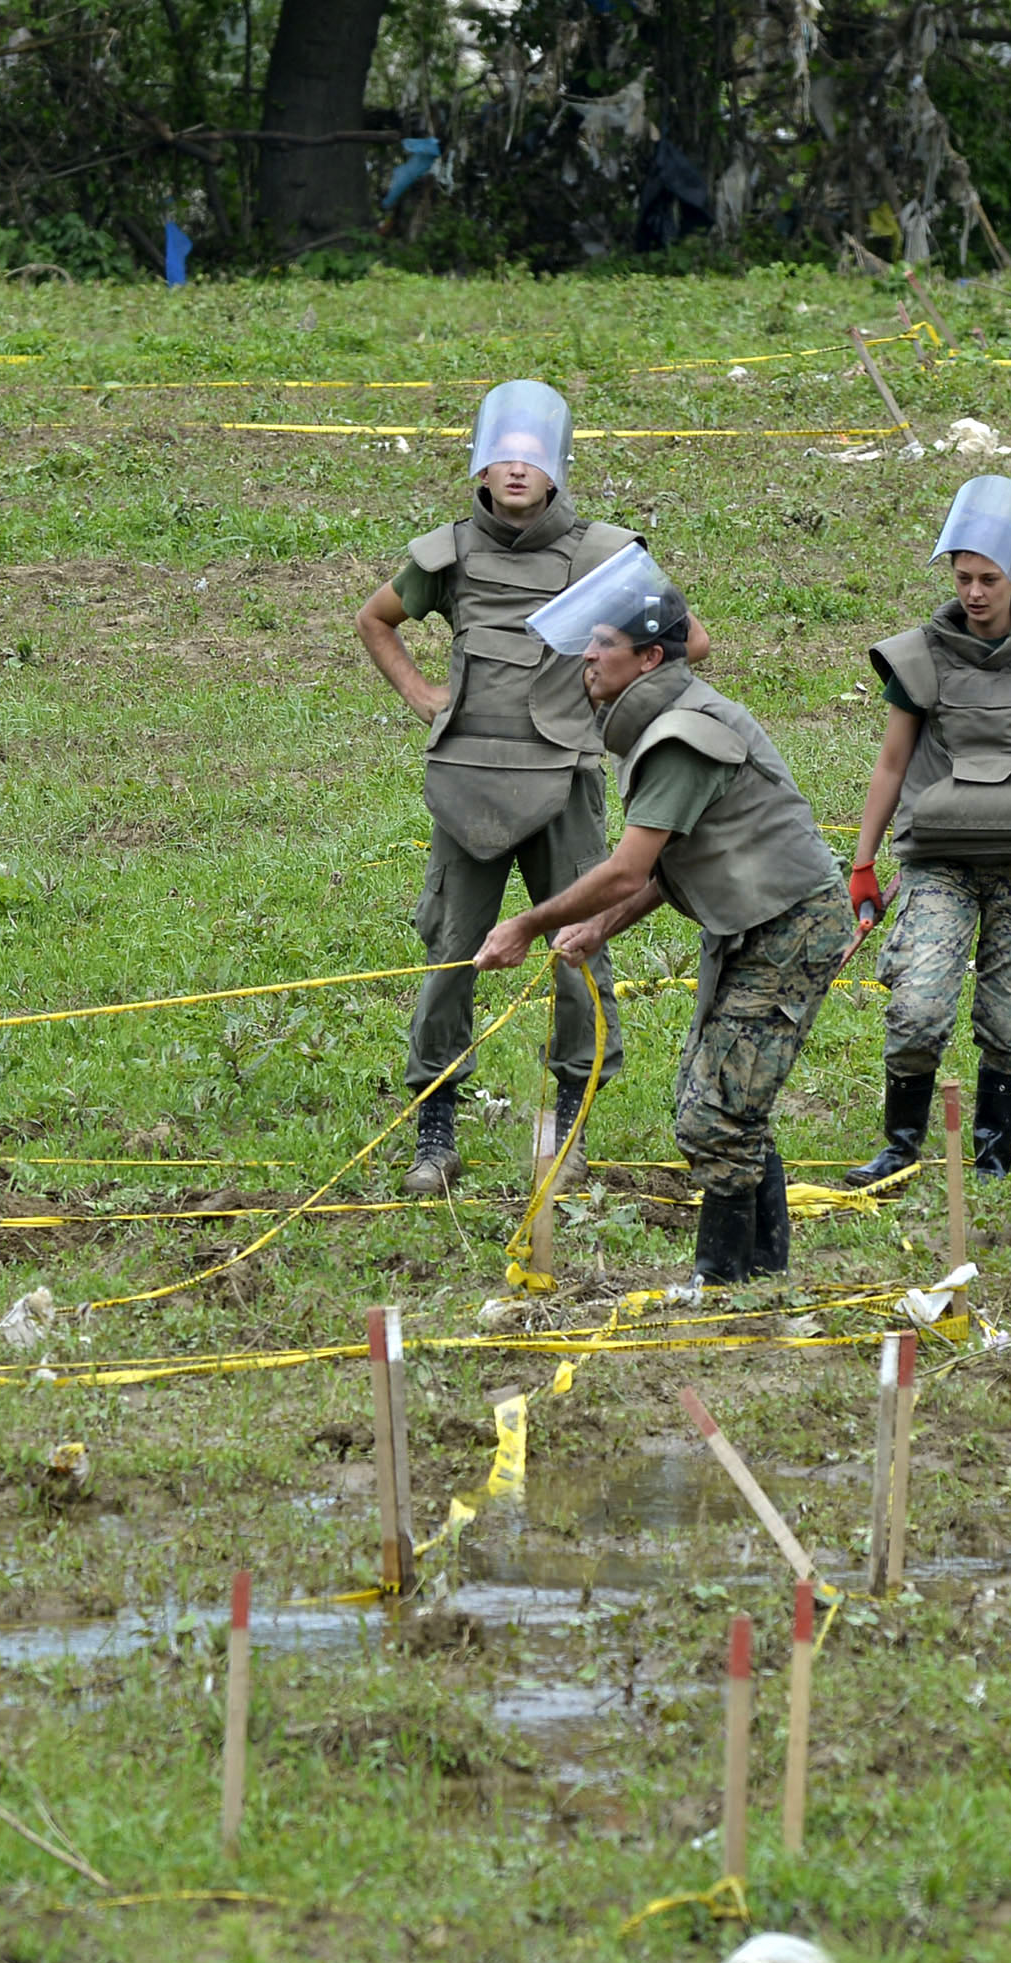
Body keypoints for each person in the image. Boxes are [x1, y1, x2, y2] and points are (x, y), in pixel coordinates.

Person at [354, 379, 710, 1196]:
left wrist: (617, 701)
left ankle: (569, 1128)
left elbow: (688, 642)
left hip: (565, 782)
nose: (516, 471)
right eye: (502, 456)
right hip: (467, 783)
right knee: (451, 953)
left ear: (555, 469)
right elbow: (376, 619)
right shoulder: (444, 554)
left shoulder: (602, 555)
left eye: (532, 458)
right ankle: (435, 1132)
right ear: (480, 466)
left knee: (575, 952)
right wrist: (423, 698)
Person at [471, 548, 850, 1285]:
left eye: (602, 644)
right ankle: (760, 1274)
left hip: (789, 927)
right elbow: (676, 858)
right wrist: (595, 928)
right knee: (714, 1103)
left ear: (647, 658)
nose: (587, 657)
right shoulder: (668, 719)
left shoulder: (680, 736)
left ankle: (725, 1280)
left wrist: (525, 925)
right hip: (753, 924)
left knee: (714, 1115)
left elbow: (627, 868)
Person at [840, 475, 1011, 1186]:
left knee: (1009, 1015)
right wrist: (862, 865)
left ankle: (992, 1159)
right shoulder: (917, 658)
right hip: (939, 860)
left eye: (989, 577)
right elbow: (891, 763)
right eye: (963, 576)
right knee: (918, 1009)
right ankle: (899, 1147)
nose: (975, 592)